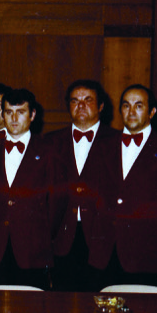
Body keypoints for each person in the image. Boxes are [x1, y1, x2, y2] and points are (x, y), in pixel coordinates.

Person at [88, 85, 157, 290]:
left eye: (139, 106)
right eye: (126, 105)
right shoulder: (102, 146)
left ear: (152, 112)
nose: (131, 112)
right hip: (105, 254)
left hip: (148, 256)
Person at [0, 88, 64, 289]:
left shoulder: (49, 152)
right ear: (3, 115)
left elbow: (56, 203)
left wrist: (41, 235)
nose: (14, 118)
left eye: (20, 112)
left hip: (33, 249)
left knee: (30, 305)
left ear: (32, 115)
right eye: (9, 112)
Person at [48, 79, 120, 291]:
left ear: (101, 106)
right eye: (75, 101)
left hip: (103, 237)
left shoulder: (118, 141)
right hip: (62, 236)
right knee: (62, 300)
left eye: (88, 100)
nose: (80, 105)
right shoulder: (50, 141)